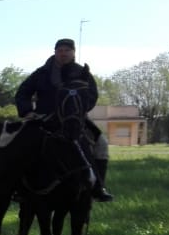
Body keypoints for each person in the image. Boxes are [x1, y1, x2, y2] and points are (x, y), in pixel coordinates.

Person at [15, 38, 114, 202]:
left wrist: (78, 110)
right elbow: (22, 92)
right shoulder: (41, 73)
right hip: (44, 117)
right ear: (55, 52)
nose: (63, 53)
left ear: (73, 53)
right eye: (60, 50)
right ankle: (19, 188)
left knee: (101, 143)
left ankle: (98, 187)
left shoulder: (82, 73)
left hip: (74, 119)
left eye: (67, 50)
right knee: (20, 142)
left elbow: (92, 95)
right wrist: (27, 111)